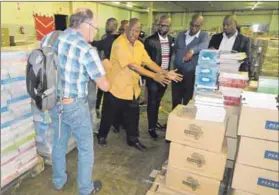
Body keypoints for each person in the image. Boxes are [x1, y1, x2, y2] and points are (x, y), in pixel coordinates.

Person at [41, 8, 109, 195]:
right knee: (86, 148)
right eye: (94, 27)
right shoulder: (86, 49)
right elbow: (104, 86)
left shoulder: (50, 38)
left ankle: (58, 181)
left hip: (53, 101)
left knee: (59, 142)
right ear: (85, 25)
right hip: (75, 106)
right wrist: (105, 67)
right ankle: (86, 189)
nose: (95, 32)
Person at [97, 18, 182, 151]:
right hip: (116, 88)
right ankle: (102, 135)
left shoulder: (139, 45)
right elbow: (133, 66)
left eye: (137, 31)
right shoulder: (119, 44)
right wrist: (154, 76)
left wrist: (164, 73)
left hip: (132, 89)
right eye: (131, 30)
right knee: (108, 115)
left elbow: (148, 61)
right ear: (126, 30)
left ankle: (133, 140)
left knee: (133, 117)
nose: (134, 34)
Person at [144, 15, 175, 140]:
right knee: (152, 101)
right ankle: (151, 128)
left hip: (165, 76)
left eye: (165, 25)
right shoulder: (150, 40)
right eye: (161, 25)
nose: (162, 27)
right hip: (153, 76)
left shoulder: (172, 40)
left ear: (169, 27)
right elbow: (145, 61)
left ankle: (154, 122)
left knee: (158, 101)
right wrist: (145, 76)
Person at [172, 14, 209, 109]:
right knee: (175, 98)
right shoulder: (181, 34)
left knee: (187, 99)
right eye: (192, 24)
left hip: (191, 73)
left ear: (201, 26)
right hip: (177, 72)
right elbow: (175, 49)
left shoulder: (203, 36)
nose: (193, 27)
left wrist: (192, 51)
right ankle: (174, 120)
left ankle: (184, 121)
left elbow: (204, 45)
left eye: (197, 26)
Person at [92, 18, 119, 118]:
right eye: (107, 24)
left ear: (115, 26)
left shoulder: (116, 39)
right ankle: (98, 107)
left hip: (115, 71)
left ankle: (110, 116)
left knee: (110, 93)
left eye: (109, 24)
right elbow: (100, 49)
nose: (107, 26)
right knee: (101, 89)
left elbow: (96, 44)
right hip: (105, 69)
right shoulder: (105, 37)